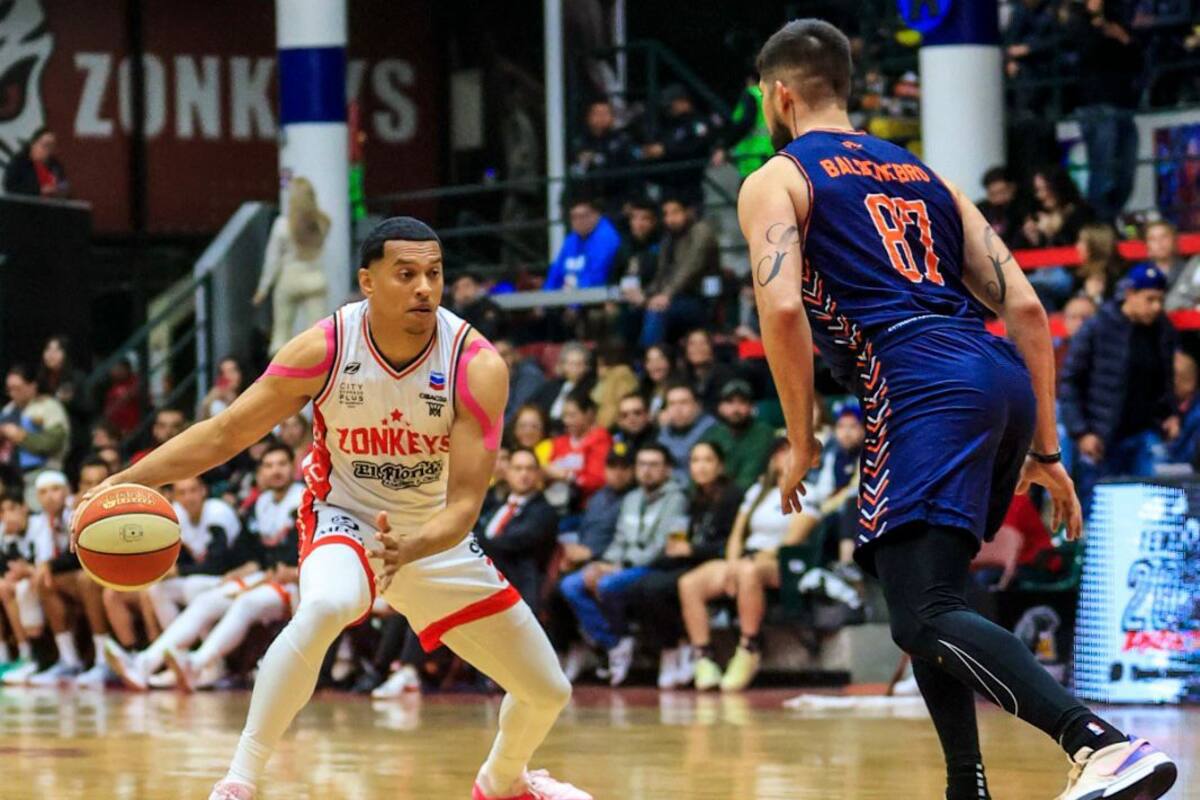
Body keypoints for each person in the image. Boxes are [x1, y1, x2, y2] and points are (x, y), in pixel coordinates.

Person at [740, 19, 1175, 800]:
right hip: (993, 371)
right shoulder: (925, 174)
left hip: (915, 380)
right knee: (928, 595)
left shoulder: (777, 178)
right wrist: (1045, 450)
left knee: (924, 612)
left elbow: (780, 313)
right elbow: (1032, 311)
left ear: (779, 95)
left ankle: (1098, 744)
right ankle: (964, 786)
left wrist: (801, 439)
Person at [73, 216, 589, 800]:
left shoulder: (476, 365)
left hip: (431, 535)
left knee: (548, 691)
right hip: (343, 515)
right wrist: (126, 477)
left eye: (434, 274)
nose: (425, 287)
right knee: (324, 605)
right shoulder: (326, 346)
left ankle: (503, 783)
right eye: (407, 274)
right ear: (368, 282)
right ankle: (239, 781)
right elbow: (224, 434)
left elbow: (466, 504)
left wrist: (412, 548)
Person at [106, 444, 303, 691]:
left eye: (282, 465)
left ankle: (199, 664)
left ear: (294, 466)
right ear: (260, 471)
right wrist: (245, 569)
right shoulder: (261, 503)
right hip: (264, 578)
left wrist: (283, 571)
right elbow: (250, 552)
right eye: (269, 465)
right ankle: (145, 663)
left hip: (300, 581)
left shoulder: (304, 498)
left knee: (246, 602)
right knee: (205, 601)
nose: (275, 471)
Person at [677, 440, 814, 692]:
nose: (784, 458)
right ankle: (703, 656)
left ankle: (749, 647)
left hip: (784, 562)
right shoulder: (758, 491)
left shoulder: (810, 490)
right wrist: (731, 565)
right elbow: (737, 534)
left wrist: (754, 560)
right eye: (779, 452)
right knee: (689, 583)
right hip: (746, 558)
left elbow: (793, 539)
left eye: (790, 452)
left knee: (749, 571)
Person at [559, 443, 686, 687]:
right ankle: (613, 642)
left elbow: (662, 546)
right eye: (642, 465)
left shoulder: (676, 499)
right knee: (571, 584)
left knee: (607, 585)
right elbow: (619, 539)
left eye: (654, 465)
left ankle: (622, 634)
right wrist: (604, 562)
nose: (647, 471)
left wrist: (621, 566)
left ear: (667, 470)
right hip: (620, 563)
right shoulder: (631, 498)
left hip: (652, 565)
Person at [1060, 264, 1178, 514]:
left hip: (1144, 433)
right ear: (1130, 294)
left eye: (1160, 300)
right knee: (1099, 511)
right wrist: (1081, 432)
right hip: (1101, 437)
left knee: (1152, 506)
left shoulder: (1163, 330)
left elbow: (1165, 380)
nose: (1156, 306)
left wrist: (1170, 413)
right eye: (1150, 299)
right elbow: (1070, 381)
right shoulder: (1097, 327)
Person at [628, 440, 741, 689]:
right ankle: (672, 645)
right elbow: (682, 535)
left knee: (658, 588)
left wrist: (692, 549)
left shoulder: (733, 496)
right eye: (695, 461)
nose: (700, 467)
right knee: (641, 584)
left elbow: (730, 542)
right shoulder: (693, 498)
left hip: (718, 564)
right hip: (691, 561)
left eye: (707, 460)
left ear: (720, 465)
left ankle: (685, 645)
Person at [253, 176, 331, 355]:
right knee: (318, 333)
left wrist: (263, 289)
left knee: (281, 333)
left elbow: (273, 259)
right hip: (316, 278)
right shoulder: (322, 223)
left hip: (289, 280)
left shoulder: (282, 225)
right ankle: (317, 370)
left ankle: (280, 371)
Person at [476, 449, 559, 613]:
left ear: (538, 473)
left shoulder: (544, 511)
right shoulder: (494, 506)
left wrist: (471, 540)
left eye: (529, 469)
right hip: (481, 579)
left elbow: (511, 542)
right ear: (507, 473)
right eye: (518, 468)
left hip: (517, 586)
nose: (524, 474)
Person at [636, 196, 722, 347]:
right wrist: (644, 295)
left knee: (657, 312)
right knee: (632, 312)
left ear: (689, 212)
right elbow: (661, 274)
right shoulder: (669, 238)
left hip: (700, 298)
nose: (670, 219)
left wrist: (665, 295)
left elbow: (690, 268)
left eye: (675, 212)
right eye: (666, 214)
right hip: (675, 298)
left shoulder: (701, 232)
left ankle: (650, 360)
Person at [1, 364, 71, 507]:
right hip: (12, 478)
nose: (13, 393)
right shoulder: (7, 411)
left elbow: (53, 443)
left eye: (18, 388)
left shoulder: (48, 406)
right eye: (9, 389)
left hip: (44, 474)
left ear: (32, 385)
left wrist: (22, 437)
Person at [637, 85, 714, 207]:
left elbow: (697, 147)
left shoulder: (699, 122)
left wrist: (666, 150)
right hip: (669, 183)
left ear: (683, 102)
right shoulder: (671, 124)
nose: (670, 108)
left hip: (691, 181)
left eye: (672, 104)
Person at [702, 379, 776, 490]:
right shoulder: (713, 433)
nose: (736, 409)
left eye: (742, 402)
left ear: (752, 407)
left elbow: (747, 480)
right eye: (730, 402)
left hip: (751, 497)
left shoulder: (763, 433)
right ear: (720, 407)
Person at [543, 393, 611, 509]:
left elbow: (597, 479)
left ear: (589, 414)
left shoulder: (600, 439)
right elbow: (549, 471)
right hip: (554, 503)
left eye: (572, 415)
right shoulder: (559, 442)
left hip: (587, 507)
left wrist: (568, 476)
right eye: (564, 416)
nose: (566, 421)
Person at [543, 195, 621, 291]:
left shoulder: (606, 238)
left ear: (596, 215)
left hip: (595, 299)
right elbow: (556, 272)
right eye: (574, 217)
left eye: (583, 216)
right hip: (568, 297)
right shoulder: (571, 239)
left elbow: (596, 277)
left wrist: (573, 303)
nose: (578, 221)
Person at [0, 492, 39, 680]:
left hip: (40, 583)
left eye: (12, 509)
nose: (9, 515)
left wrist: (28, 570)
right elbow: (7, 568)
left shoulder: (39, 524)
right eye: (4, 511)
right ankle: (4, 656)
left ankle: (29, 656)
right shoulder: (6, 535)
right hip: (22, 585)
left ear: (24, 507)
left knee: (18, 588)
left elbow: (45, 564)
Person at [569, 98, 635, 209]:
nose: (601, 118)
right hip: (586, 200)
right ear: (589, 117)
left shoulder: (622, 140)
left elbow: (631, 172)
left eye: (605, 113)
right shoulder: (579, 142)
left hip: (616, 198)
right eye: (597, 114)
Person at [656, 382, 717, 485]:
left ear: (698, 406)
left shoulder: (711, 429)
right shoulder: (664, 431)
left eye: (683, 403)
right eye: (672, 404)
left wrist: (669, 473)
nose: (677, 409)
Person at [680, 329, 736, 413]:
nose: (698, 348)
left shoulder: (725, 374)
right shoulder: (682, 377)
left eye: (703, 343)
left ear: (711, 348)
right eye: (692, 344)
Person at [2, 127, 69, 197]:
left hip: (50, 205)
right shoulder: (19, 162)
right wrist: (39, 190)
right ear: (34, 144)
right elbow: (10, 188)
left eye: (52, 147)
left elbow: (64, 184)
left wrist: (60, 189)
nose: (48, 150)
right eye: (46, 145)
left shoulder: (55, 164)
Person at [496, 340, 548, 426]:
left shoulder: (530, 376)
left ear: (515, 355)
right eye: (495, 356)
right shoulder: (496, 375)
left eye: (504, 355)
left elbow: (516, 412)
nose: (500, 359)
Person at [1074, 223, 1126, 304]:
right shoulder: (1079, 276)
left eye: (1082, 242)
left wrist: (1092, 299)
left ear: (1096, 247)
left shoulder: (1115, 279)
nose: (1077, 246)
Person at [976, 166, 1024, 247]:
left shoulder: (1022, 209)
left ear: (1012, 188)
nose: (999, 199)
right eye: (993, 195)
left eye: (1002, 192)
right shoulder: (980, 210)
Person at [450, 272, 502, 341]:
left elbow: (487, 334)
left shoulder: (488, 306)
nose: (463, 291)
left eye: (466, 286)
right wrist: (458, 307)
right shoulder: (449, 312)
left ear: (477, 287)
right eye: (457, 288)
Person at [608, 392, 658, 458]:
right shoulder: (613, 440)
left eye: (637, 413)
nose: (631, 419)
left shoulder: (661, 439)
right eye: (624, 415)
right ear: (619, 421)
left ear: (648, 415)